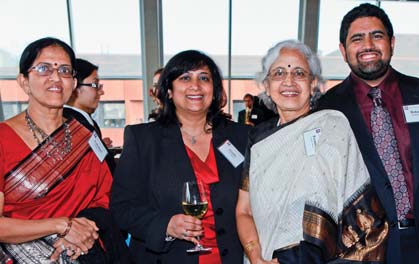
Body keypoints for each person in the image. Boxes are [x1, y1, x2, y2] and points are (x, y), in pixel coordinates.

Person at [235, 39, 388, 264]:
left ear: (313, 83)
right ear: (266, 85)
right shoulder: (258, 138)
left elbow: (357, 217)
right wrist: (256, 256)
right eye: (279, 73)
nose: (289, 81)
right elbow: (244, 210)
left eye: (299, 73)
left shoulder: (333, 127)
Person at [111, 50, 250, 263]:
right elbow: (122, 207)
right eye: (185, 78)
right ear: (168, 90)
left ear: (214, 89)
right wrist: (165, 225)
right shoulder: (143, 139)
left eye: (204, 78)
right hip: (168, 257)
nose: (195, 85)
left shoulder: (241, 136)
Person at [0, 37, 129, 263]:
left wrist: (82, 231)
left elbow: (108, 199)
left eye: (65, 70)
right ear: (23, 81)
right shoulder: (3, 139)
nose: (56, 77)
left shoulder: (86, 137)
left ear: (73, 83)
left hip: (87, 251)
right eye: (43, 68)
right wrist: (62, 226)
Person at [318, 3, 419, 263]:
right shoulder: (326, 110)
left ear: (392, 42)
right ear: (343, 50)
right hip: (366, 250)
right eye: (357, 38)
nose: (368, 45)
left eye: (377, 35)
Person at [63, 58, 116, 174]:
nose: (101, 92)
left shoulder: (84, 121)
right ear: (74, 87)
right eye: (95, 85)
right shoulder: (73, 126)